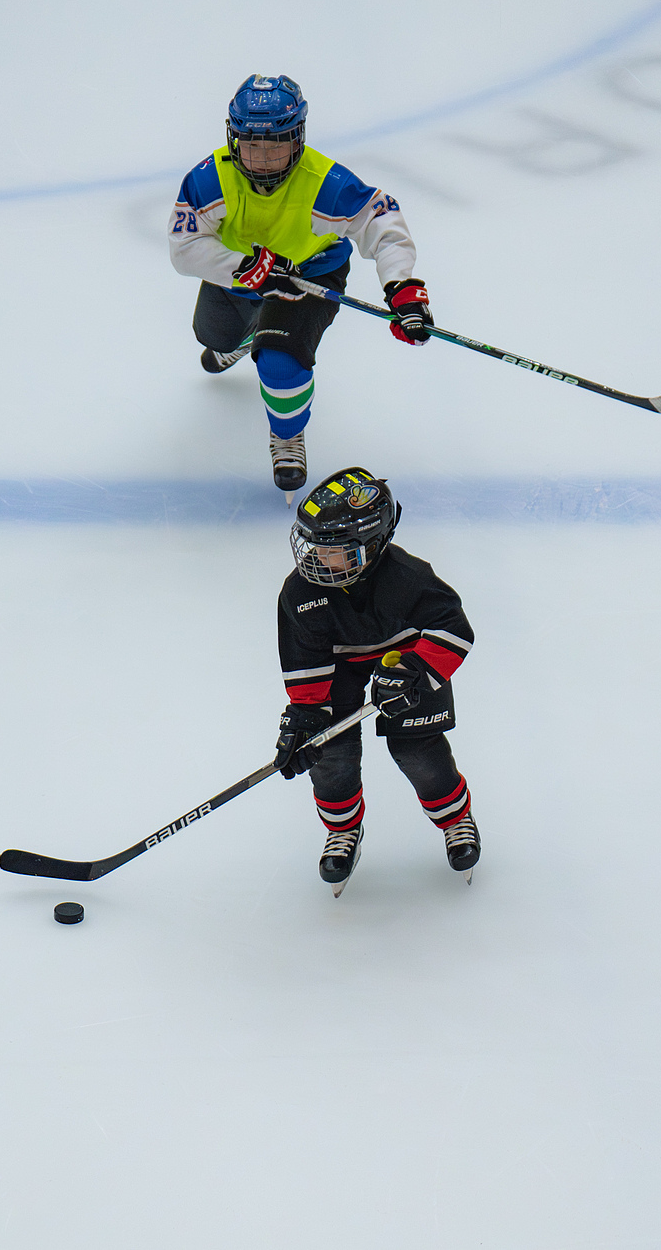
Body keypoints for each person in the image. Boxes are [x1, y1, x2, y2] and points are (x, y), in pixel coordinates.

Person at [168, 76, 433, 496]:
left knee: (279, 361)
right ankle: (248, 332)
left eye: (277, 144)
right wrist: (246, 268)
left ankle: (287, 432)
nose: (263, 158)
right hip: (241, 273)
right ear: (233, 138)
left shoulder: (327, 183)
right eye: (252, 144)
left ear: (298, 139)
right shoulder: (209, 179)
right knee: (212, 336)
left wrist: (401, 288)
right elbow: (184, 248)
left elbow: (382, 225)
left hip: (308, 277)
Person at [271, 468, 479, 890]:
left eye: (332, 550)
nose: (315, 559)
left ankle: (456, 821)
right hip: (340, 664)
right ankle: (343, 830)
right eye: (311, 546)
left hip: (407, 663)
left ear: (371, 546)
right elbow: (306, 666)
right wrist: (307, 720)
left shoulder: (410, 579)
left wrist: (411, 671)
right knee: (329, 753)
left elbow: (454, 630)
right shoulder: (300, 594)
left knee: (419, 750)